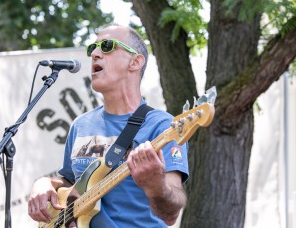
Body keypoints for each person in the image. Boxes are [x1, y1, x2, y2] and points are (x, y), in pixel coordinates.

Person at [28, 24, 189, 227]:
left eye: (107, 46)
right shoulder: (81, 125)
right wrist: (43, 183)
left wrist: (155, 186)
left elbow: (171, 214)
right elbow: (70, 182)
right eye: (92, 49)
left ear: (135, 62)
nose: (94, 53)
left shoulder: (163, 126)